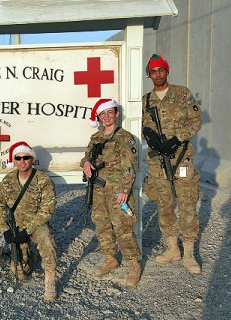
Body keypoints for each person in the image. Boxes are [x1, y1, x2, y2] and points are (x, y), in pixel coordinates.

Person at [142, 54, 202, 274]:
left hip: (182, 158)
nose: (158, 74)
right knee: (164, 205)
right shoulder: (145, 101)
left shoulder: (182, 93)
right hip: (158, 163)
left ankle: (188, 253)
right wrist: (148, 134)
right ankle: (172, 248)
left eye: (161, 70)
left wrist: (178, 137)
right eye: (153, 71)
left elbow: (196, 120)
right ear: (149, 75)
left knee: (186, 205)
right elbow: (137, 125)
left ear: (167, 71)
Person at [80, 99, 141, 287]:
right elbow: (86, 156)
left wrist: (125, 190)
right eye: (102, 114)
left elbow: (131, 166)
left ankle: (133, 265)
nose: (106, 117)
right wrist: (86, 164)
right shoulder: (95, 138)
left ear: (116, 114)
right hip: (98, 190)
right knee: (102, 226)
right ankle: (110, 258)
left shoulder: (125, 137)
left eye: (109, 113)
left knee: (122, 227)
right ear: (98, 117)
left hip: (117, 191)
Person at [0, 141, 57, 301]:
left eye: (26, 157)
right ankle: (28, 256)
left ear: (32, 159)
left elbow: (47, 208)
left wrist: (28, 230)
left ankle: (50, 282)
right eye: (19, 158)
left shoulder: (43, 180)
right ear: (14, 160)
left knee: (47, 242)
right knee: (19, 272)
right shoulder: (7, 181)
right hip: (15, 226)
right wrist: (5, 229)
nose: (22, 161)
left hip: (36, 225)